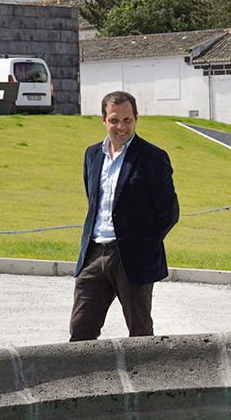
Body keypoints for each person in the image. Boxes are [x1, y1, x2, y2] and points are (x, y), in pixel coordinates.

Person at [71, 91, 179, 341]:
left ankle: (142, 380)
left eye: (127, 120)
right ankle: (84, 381)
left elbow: (169, 213)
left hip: (133, 258)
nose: (121, 127)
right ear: (103, 120)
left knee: (140, 334)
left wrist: (142, 244)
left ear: (136, 119)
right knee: (80, 331)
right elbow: (94, 200)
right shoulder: (92, 155)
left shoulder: (153, 157)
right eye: (114, 120)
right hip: (94, 254)